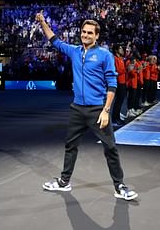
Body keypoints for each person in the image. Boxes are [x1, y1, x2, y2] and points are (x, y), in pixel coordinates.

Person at [35, 11, 138, 201]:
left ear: (97, 36)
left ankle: (119, 186)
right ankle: (64, 182)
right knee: (70, 145)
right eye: (84, 32)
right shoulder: (74, 51)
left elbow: (112, 85)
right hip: (77, 109)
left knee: (110, 148)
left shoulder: (104, 55)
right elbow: (54, 39)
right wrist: (42, 22)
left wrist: (106, 110)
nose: (86, 35)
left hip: (97, 110)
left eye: (90, 33)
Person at [111, 44, 127, 125]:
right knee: (118, 101)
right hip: (118, 82)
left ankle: (117, 117)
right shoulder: (115, 58)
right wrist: (126, 69)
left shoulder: (121, 58)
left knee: (120, 101)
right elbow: (116, 71)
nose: (122, 50)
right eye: (120, 48)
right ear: (116, 50)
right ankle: (114, 119)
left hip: (123, 82)